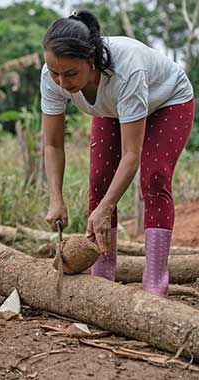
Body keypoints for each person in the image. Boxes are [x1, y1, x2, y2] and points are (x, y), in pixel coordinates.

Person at [40, 9, 195, 297]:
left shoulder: (127, 70)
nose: (61, 82)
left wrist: (106, 209)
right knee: (99, 182)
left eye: (70, 73)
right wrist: (55, 199)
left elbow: (131, 155)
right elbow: (52, 145)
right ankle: (103, 283)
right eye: (54, 73)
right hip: (113, 108)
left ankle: (155, 286)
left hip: (168, 100)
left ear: (91, 60)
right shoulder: (52, 77)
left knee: (155, 177)